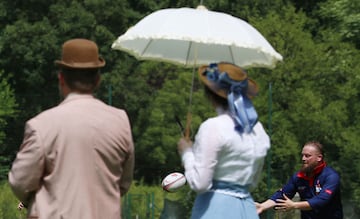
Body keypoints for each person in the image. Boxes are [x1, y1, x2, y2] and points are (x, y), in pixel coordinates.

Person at [8, 38, 135, 219]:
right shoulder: (120, 121)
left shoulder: (41, 125)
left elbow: (20, 181)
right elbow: (123, 183)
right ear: (97, 79)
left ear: (61, 79)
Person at [177, 62, 270, 219]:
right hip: (247, 208)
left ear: (210, 94)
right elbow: (253, 182)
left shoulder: (213, 127)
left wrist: (186, 152)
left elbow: (200, 183)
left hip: (215, 208)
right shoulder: (257, 129)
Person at [256, 141, 343, 219]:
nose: (303, 159)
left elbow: (321, 200)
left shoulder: (331, 176)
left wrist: (294, 205)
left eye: (307, 156)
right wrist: (262, 206)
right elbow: (282, 195)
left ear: (319, 158)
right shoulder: (298, 177)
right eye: (302, 155)